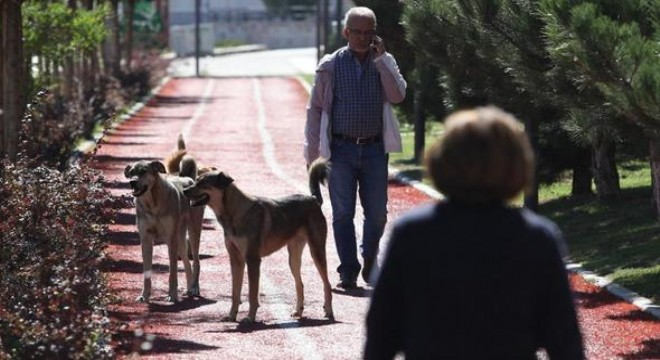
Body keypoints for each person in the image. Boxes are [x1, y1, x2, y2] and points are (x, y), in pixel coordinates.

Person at [364, 106, 584, 359]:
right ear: (517, 164)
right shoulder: (536, 238)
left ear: (442, 160)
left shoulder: (413, 233)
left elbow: (381, 332)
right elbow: (565, 342)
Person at [303, 6, 407, 290]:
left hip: (374, 150)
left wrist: (383, 59)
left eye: (368, 32)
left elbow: (398, 95)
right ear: (346, 32)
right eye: (357, 32)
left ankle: (370, 259)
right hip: (340, 151)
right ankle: (348, 268)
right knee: (342, 213)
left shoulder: (384, 62)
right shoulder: (331, 65)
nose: (363, 38)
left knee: (377, 213)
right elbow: (315, 110)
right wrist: (312, 156)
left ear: (375, 34)